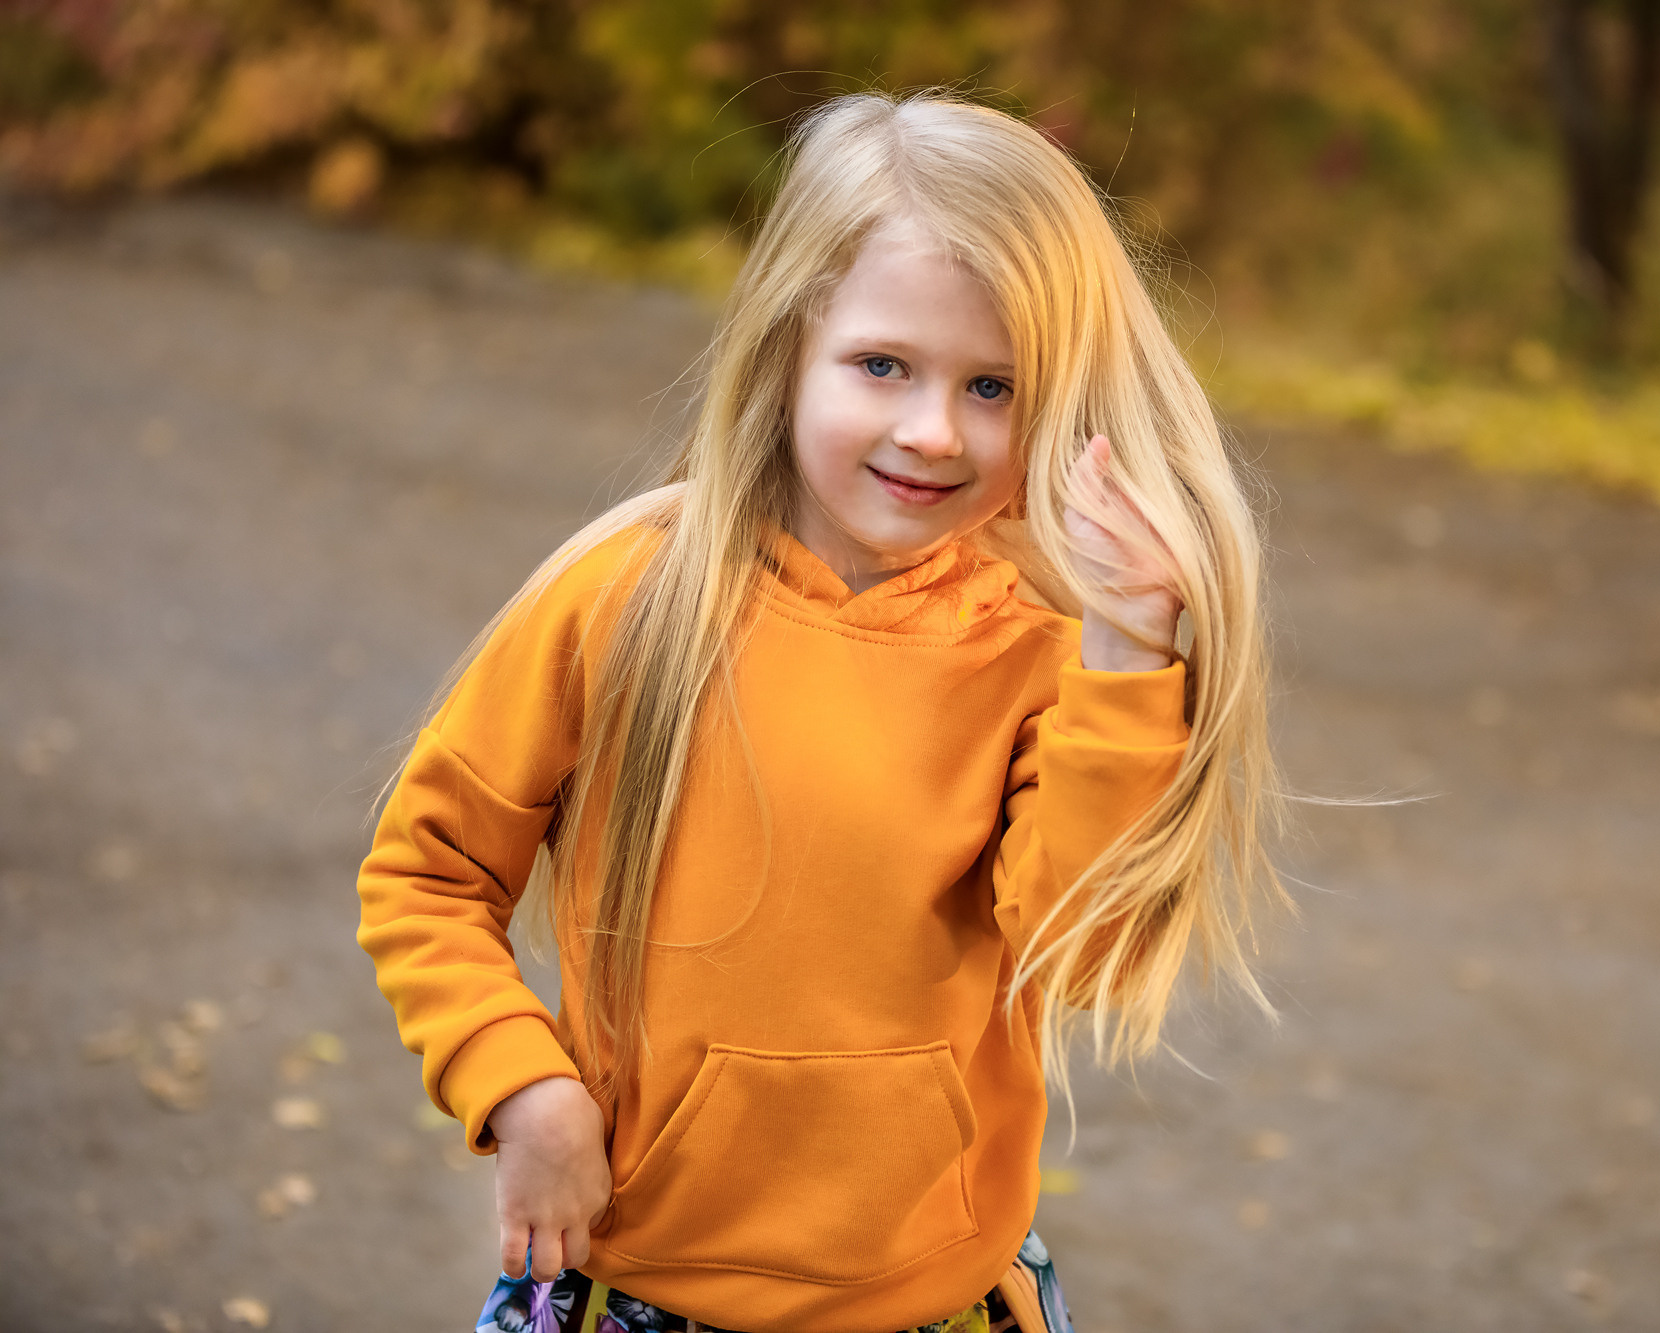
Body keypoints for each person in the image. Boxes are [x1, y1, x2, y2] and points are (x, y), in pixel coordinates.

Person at [356, 90, 1284, 1333]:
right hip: (634, 1285)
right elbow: (427, 874)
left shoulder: (1042, 651)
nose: (931, 430)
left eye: (993, 386)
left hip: (932, 1301)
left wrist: (1126, 653)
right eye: (882, 365)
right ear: (793, 337)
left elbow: (1084, 946)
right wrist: (523, 1089)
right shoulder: (626, 595)